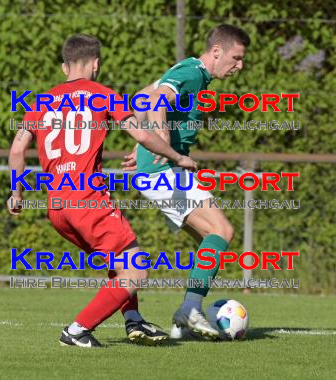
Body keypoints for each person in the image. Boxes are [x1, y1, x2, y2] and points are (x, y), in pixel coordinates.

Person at [8, 34, 198, 347]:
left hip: (57, 207)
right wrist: (177, 156)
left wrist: (17, 193)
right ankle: (77, 330)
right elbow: (142, 134)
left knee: (119, 262)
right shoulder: (102, 94)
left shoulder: (41, 101)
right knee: (136, 270)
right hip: (87, 201)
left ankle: (134, 321)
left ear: (64, 67)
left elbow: (18, 149)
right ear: (96, 64)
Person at [122, 24, 249, 339]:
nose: (239, 66)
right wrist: (162, 142)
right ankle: (189, 310)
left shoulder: (191, 73)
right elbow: (156, 101)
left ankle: (183, 323)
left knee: (211, 239)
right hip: (164, 171)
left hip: (156, 169)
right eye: (236, 58)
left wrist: (143, 145)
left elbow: (141, 98)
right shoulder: (192, 73)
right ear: (216, 51)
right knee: (223, 230)